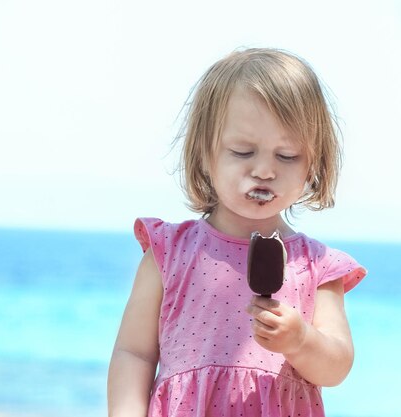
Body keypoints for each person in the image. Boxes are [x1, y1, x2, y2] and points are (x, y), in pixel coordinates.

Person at [107, 47, 367, 417]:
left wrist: (300, 341)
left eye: (287, 156)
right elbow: (134, 352)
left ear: (314, 163)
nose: (264, 170)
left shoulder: (318, 266)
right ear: (204, 154)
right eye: (243, 152)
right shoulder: (168, 252)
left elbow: (337, 365)